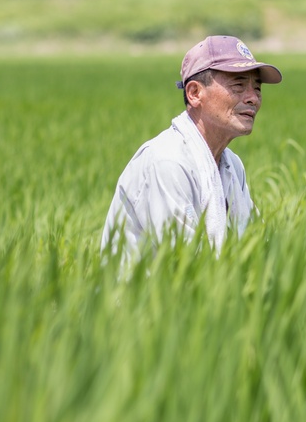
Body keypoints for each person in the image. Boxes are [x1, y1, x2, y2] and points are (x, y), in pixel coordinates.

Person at [101, 35, 282, 262]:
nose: (253, 98)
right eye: (238, 85)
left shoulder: (231, 165)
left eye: (257, 88)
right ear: (195, 93)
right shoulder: (168, 161)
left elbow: (257, 246)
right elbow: (187, 267)